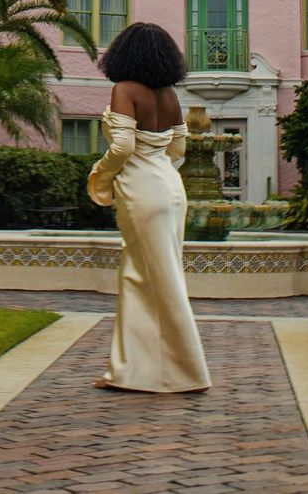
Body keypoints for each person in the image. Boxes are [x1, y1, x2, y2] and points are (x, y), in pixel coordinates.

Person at [86, 21, 211, 392]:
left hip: (141, 190)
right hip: (171, 189)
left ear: (125, 54)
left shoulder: (124, 90)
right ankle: (134, 372)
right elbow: (178, 149)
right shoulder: (169, 96)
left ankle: (186, 372)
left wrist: (100, 173)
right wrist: (156, 167)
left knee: (146, 278)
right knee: (152, 276)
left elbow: (123, 147)